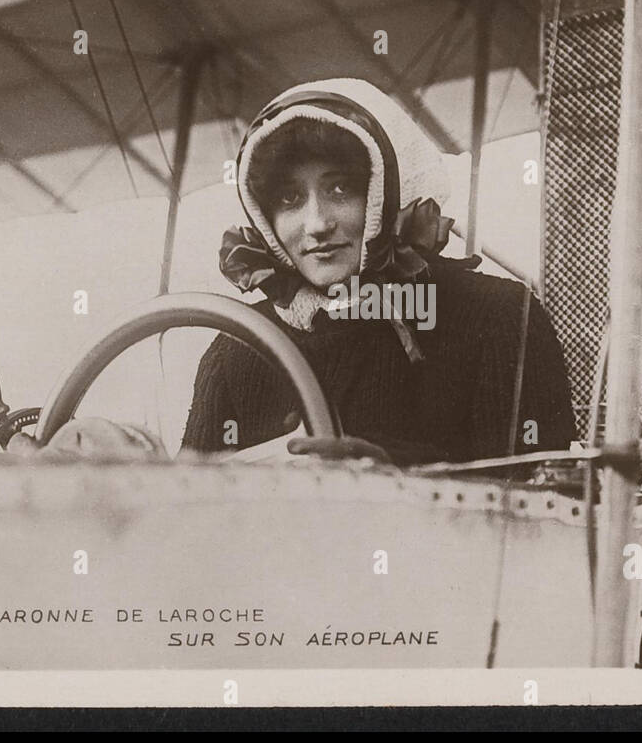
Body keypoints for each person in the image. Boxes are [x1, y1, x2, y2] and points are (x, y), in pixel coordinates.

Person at [180, 78, 575, 465]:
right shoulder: (237, 349)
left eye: (341, 189)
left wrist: (396, 476)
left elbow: (545, 502)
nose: (316, 224)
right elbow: (176, 514)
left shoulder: (499, 318)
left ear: (390, 189)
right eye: (290, 198)